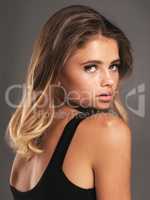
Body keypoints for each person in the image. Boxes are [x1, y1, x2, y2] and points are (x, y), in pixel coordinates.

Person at [6, 4, 133, 200]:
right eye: (91, 67)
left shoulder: (29, 142)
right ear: (55, 70)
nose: (108, 80)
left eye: (113, 66)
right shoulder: (108, 130)